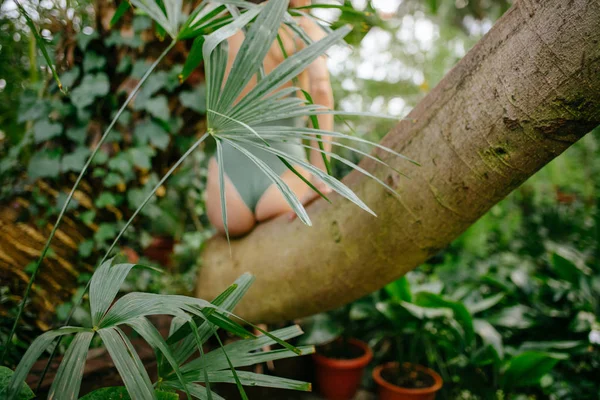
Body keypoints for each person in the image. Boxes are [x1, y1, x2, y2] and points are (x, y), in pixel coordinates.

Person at [206, 0, 335, 237]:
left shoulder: (225, 28)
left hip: (228, 175)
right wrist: (320, 177)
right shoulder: (302, 27)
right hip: (284, 172)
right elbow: (322, 90)